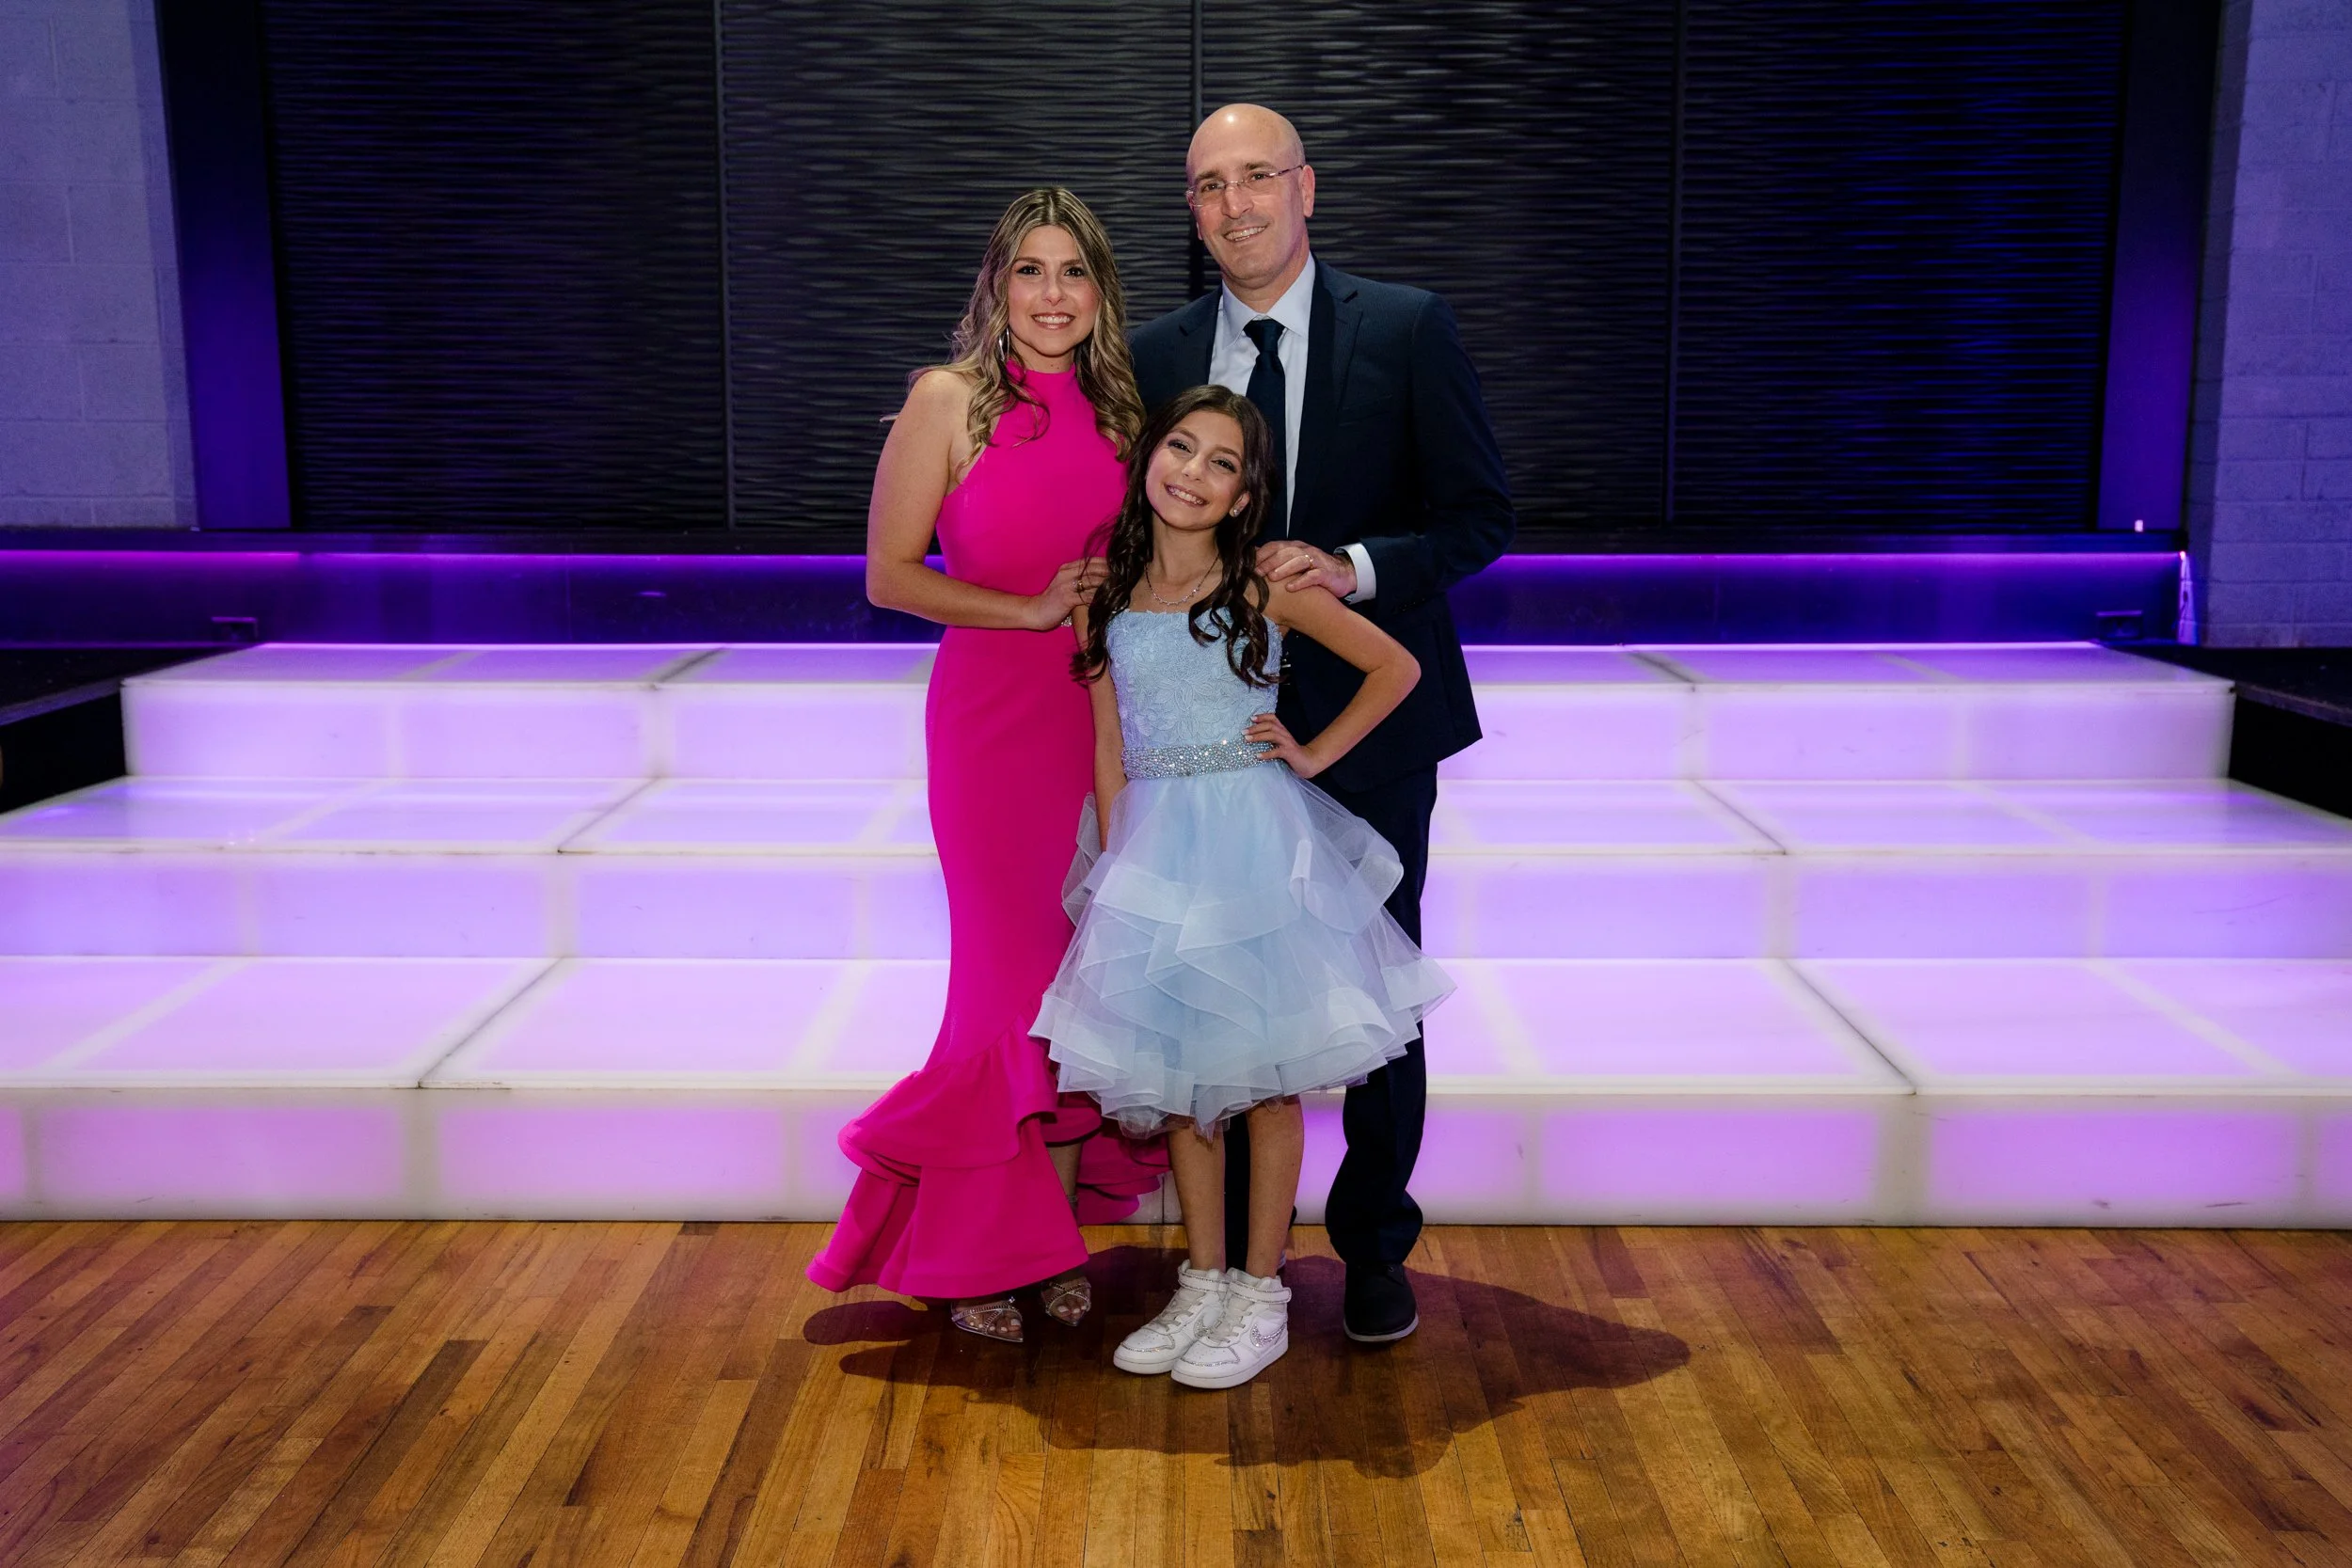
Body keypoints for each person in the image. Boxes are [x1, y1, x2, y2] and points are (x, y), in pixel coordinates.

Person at [1129, 105, 1515, 1343]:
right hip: (1209, 748)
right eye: (1206, 186)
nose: (1234, 204)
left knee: (1370, 998)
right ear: (1189, 212)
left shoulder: (1407, 327)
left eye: (1256, 178)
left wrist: (1352, 564)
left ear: (1307, 188)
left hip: (1369, 725)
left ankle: (1373, 1241)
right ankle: (1240, 1267)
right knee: (1224, 1005)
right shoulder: (1158, 352)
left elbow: (1478, 518)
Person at [1034, 385, 1453, 1388]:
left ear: (1242, 494)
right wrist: (1112, 869)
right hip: (1157, 847)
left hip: (1252, 841)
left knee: (1262, 1078)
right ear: (1149, 459)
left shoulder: (1261, 587)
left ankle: (1259, 1289)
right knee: (1185, 1079)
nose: (1192, 471)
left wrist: (1311, 755)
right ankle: (1205, 1274)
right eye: (1180, 446)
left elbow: (1395, 667)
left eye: (1221, 462)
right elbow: (1107, 747)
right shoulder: (1109, 591)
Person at [808, 188, 1162, 1341]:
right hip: (992, 724)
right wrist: (1021, 609)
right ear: (995, 285)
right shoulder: (947, 400)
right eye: (1030, 271)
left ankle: (1047, 1246)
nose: (1052, 294)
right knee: (1004, 989)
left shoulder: (1123, 413)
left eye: (1074, 272)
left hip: (1099, 718)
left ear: (1101, 291)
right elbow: (889, 575)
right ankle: (969, 1258)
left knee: (1073, 995)